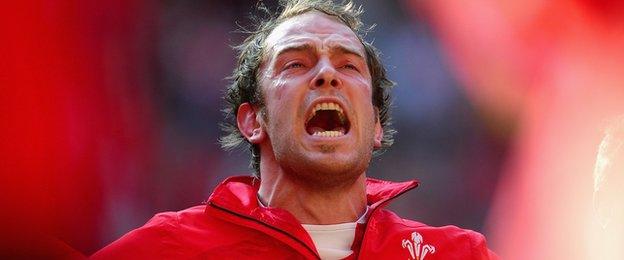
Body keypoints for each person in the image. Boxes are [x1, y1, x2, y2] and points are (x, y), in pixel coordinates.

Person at [92, 0, 496, 259]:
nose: (326, 74)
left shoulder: (457, 253)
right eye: (296, 64)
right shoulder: (171, 248)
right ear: (254, 121)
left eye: (349, 66)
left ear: (375, 127)